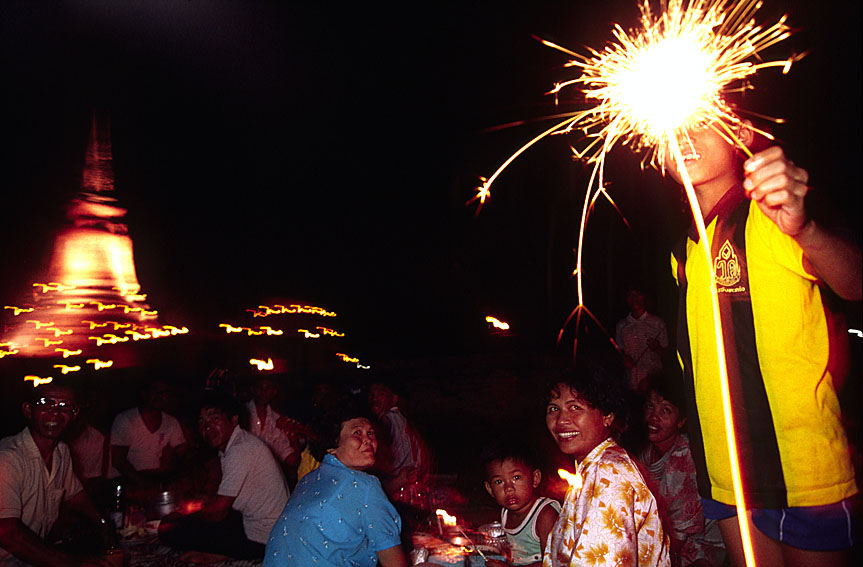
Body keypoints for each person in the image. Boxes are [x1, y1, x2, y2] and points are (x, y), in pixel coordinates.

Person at [667, 118, 861, 567]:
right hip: (723, 475)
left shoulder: (774, 214)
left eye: (700, 121)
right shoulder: (684, 249)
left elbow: (854, 282)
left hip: (805, 476)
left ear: (740, 133)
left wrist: (806, 229)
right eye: (670, 125)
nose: (683, 135)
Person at [542, 363, 670, 567]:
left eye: (575, 407)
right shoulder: (592, 465)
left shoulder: (610, 473)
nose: (561, 420)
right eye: (554, 408)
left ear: (607, 416)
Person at [263, 402, 408, 567]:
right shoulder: (366, 486)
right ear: (332, 446)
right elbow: (394, 562)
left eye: (370, 432)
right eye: (357, 432)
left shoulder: (309, 479)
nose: (368, 439)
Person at [158, 390, 288, 562]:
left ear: (233, 420)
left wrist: (184, 516)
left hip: (263, 540)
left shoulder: (240, 448)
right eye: (202, 422)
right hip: (262, 530)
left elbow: (218, 512)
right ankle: (224, 553)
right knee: (191, 521)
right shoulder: (233, 445)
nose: (207, 427)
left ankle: (224, 555)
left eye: (214, 419)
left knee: (171, 529)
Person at [0, 383, 115, 567]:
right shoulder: (8, 459)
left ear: (74, 414)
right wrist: (74, 564)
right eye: (46, 404)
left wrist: (103, 523)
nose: (55, 413)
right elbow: (7, 533)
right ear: (28, 410)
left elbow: (75, 495)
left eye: (65, 406)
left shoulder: (61, 452)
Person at [637, 374, 725, 567]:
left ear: (681, 421)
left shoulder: (685, 458)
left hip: (700, 545)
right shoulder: (645, 453)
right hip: (663, 541)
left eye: (665, 410)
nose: (654, 416)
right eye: (650, 406)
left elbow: (678, 536)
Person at [481, 443, 560, 566]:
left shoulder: (545, 515)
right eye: (499, 481)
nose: (508, 488)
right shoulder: (505, 512)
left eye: (516, 477)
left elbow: (553, 562)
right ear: (490, 489)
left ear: (535, 479)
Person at [109, 379, 188, 488]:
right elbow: (118, 460)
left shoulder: (171, 422)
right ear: (144, 393)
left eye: (164, 393)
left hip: (155, 478)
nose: (159, 396)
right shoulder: (126, 419)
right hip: (125, 482)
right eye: (155, 391)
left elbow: (183, 452)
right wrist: (143, 483)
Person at [367, 381, 431, 503]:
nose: (375, 399)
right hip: (411, 489)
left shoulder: (389, 419)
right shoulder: (403, 420)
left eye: (381, 394)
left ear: (394, 399)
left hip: (398, 492)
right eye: (371, 395)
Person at [245, 375, 300, 485]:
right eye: (260, 388)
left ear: (274, 392)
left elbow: (291, 460)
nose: (263, 392)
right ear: (253, 390)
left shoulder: (277, 421)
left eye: (267, 388)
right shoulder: (241, 414)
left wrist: (293, 439)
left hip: (266, 481)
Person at [615, 285, 669, 394]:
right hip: (631, 383)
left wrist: (657, 348)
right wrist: (623, 359)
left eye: (638, 295)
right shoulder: (622, 326)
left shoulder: (657, 323)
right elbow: (618, 352)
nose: (635, 299)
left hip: (654, 383)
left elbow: (668, 356)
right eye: (631, 295)